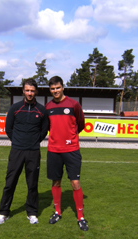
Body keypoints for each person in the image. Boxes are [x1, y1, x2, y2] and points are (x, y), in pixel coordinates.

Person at [0, 78, 49, 225]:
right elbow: (8, 128)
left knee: (32, 184)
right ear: (23, 91)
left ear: (36, 91)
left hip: (33, 152)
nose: (30, 93)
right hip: (17, 151)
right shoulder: (15, 108)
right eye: (27, 90)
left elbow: (44, 131)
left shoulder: (41, 110)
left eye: (32, 90)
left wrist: (33, 141)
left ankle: (31, 212)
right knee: (10, 182)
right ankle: (3, 212)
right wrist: (18, 142)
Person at [45, 76, 88, 231]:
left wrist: (71, 138)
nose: (55, 91)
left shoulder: (73, 104)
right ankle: (57, 212)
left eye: (57, 87)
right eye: (52, 88)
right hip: (53, 150)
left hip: (72, 150)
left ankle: (81, 217)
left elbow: (81, 123)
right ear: (50, 90)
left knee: (75, 183)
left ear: (63, 87)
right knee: (55, 182)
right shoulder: (48, 106)